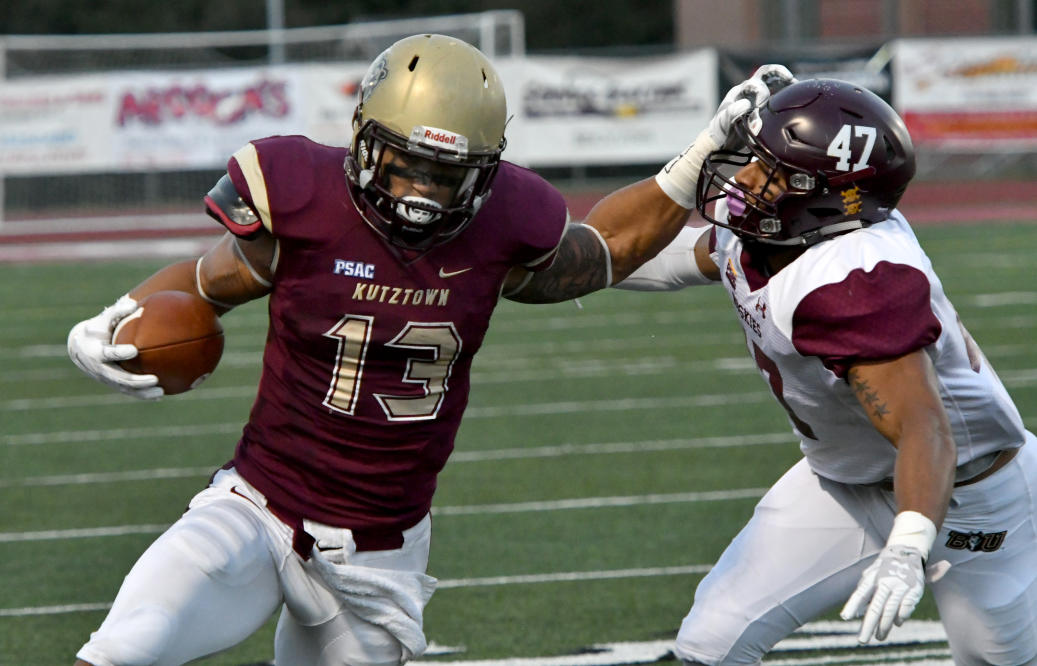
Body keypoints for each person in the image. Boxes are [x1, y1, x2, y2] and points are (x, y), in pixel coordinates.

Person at [66, 33, 791, 665]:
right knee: (128, 646)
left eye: (445, 176)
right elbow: (204, 284)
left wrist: (698, 160)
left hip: (380, 548)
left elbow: (600, 255)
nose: (418, 193)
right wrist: (117, 318)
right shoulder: (300, 196)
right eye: (403, 165)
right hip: (257, 506)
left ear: (488, 170)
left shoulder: (507, 223)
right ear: (361, 138)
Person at [615, 77, 1037, 665]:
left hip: (973, 495)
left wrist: (908, 547)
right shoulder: (773, 232)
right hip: (845, 482)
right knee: (710, 643)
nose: (744, 181)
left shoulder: (853, 277)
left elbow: (925, 430)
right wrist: (552, 257)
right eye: (755, 160)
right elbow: (634, 255)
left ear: (833, 199)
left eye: (776, 173)